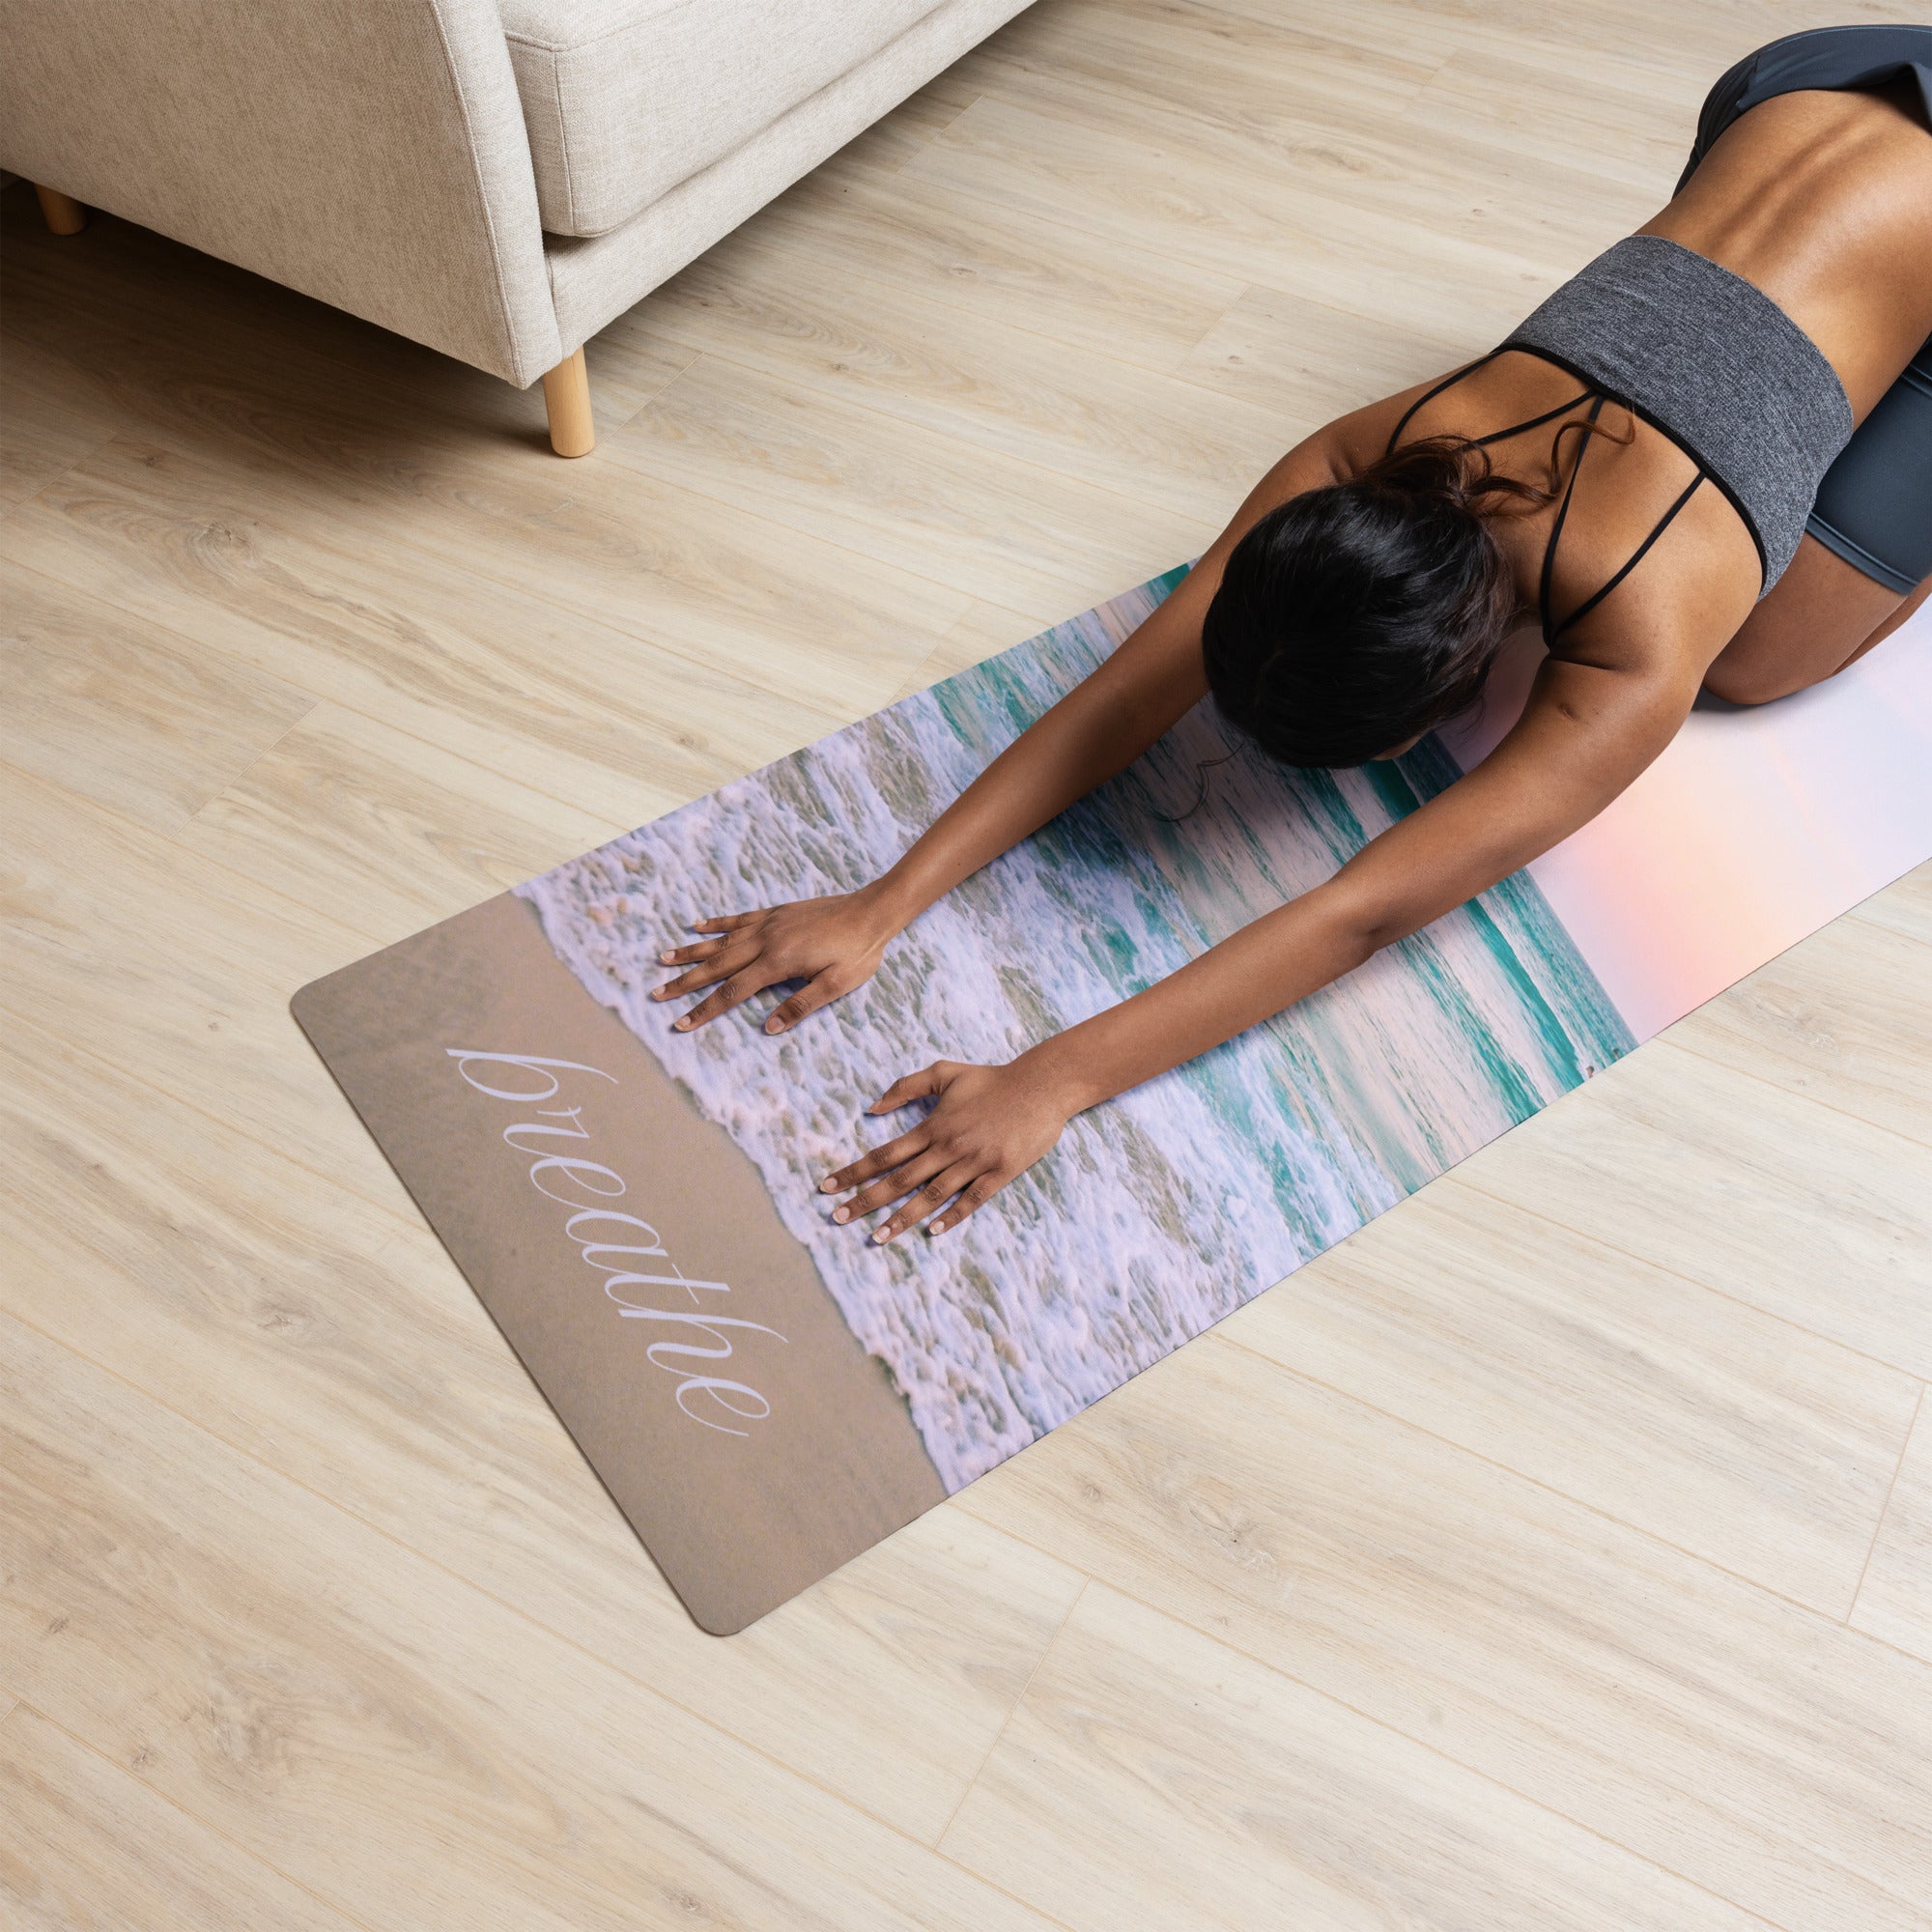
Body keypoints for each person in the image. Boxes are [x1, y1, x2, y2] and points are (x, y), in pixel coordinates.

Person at [652, 24, 1932, 1244]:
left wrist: (1055, 1078)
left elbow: (1364, 912)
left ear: (1460, 688)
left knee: (1764, 662)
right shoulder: (1361, 456)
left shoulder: (1645, 627)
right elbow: (1128, 688)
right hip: (1791, 87)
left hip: (1819, 98)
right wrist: (880, 905)